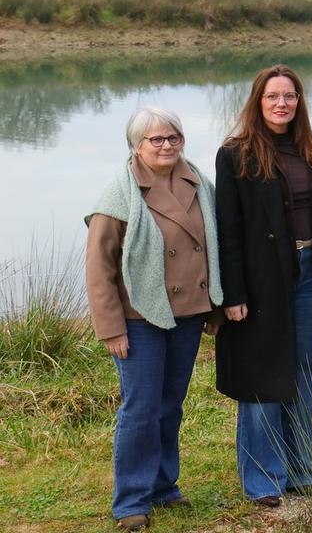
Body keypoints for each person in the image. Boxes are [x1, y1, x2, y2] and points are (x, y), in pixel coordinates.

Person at [86, 107, 223, 531]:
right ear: (136, 145)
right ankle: (131, 502)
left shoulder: (199, 182)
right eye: (155, 140)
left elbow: (214, 243)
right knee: (141, 408)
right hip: (139, 318)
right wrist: (110, 327)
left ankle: (164, 487)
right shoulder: (118, 196)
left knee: (169, 406)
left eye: (173, 138)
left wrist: (215, 304)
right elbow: (99, 268)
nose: (166, 146)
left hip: (187, 315)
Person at [215, 64, 312, 507]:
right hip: (261, 280)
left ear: (299, 101)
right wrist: (233, 295)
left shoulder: (309, 150)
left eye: (289, 96)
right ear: (258, 102)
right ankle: (264, 479)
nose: (282, 103)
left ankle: (301, 468)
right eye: (273, 96)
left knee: (305, 370)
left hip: (311, 275)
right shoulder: (235, 154)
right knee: (261, 376)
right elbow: (227, 230)